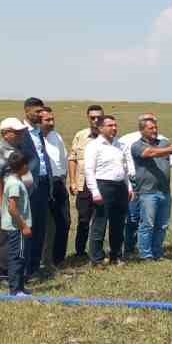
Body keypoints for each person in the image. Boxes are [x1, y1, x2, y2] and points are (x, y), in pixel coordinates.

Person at [129, 117, 172, 261]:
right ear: (142, 130)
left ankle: (157, 252)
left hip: (164, 191)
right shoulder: (137, 146)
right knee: (147, 224)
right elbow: (151, 153)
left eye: (156, 127)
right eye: (151, 128)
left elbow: (165, 152)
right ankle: (146, 254)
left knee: (162, 224)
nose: (155, 130)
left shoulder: (164, 143)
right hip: (147, 192)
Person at [83, 114, 135, 267]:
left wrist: (129, 187)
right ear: (100, 128)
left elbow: (124, 168)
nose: (114, 128)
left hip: (120, 186)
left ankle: (116, 255)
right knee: (100, 223)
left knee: (118, 223)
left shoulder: (120, 145)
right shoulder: (94, 146)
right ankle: (97, 258)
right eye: (110, 125)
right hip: (103, 185)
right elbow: (89, 170)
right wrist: (95, 191)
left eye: (115, 125)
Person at [0, 117, 31, 287]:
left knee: (15, 237)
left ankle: (16, 272)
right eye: (17, 132)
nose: (21, 134)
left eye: (22, 131)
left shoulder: (16, 148)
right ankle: (2, 276)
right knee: (6, 237)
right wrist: (1, 204)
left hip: (18, 200)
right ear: (6, 134)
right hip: (7, 201)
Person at [21, 98, 55, 280]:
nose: (40, 114)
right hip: (28, 186)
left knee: (40, 227)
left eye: (42, 111)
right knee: (29, 227)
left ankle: (35, 267)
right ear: (27, 111)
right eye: (37, 111)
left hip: (43, 184)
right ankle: (25, 269)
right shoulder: (21, 132)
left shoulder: (39, 132)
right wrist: (27, 183)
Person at [68, 105, 105, 261]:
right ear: (88, 118)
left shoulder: (108, 136)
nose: (96, 120)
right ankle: (80, 252)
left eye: (99, 117)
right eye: (92, 117)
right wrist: (73, 182)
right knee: (83, 219)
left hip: (103, 185)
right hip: (84, 185)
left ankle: (97, 251)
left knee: (101, 219)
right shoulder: (81, 136)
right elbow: (73, 159)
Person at [38, 106, 71, 270]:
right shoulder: (34, 139)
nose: (51, 123)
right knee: (46, 225)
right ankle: (44, 261)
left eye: (53, 119)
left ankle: (58, 259)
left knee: (63, 221)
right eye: (47, 120)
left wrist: (64, 177)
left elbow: (63, 158)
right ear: (39, 120)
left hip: (59, 183)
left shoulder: (56, 136)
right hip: (43, 184)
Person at [0, 150, 34, 296]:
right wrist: (24, 226)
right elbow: (13, 209)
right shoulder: (14, 184)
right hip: (17, 227)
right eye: (27, 165)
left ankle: (20, 286)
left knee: (21, 256)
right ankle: (15, 290)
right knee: (17, 257)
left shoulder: (15, 181)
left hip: (17, 227)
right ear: (23, 166)